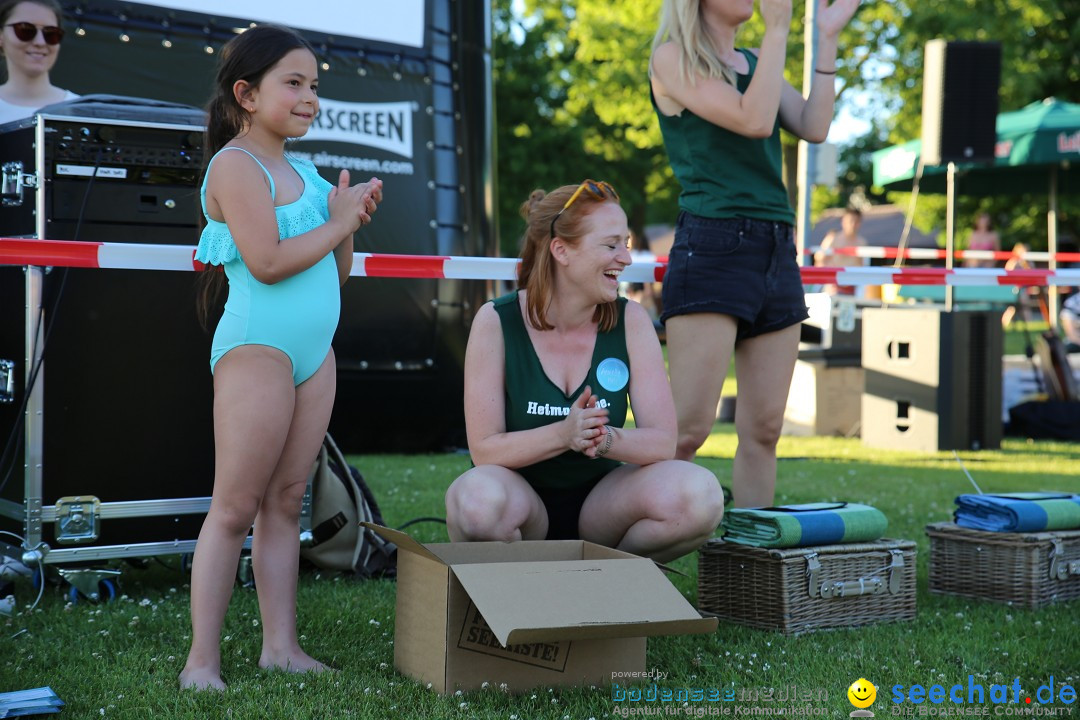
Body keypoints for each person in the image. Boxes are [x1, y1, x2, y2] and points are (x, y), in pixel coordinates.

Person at [179, 25, 383, 691]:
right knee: (235, 504)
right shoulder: (235, 166)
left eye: (315, 86)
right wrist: (337, 221)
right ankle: (200, 664)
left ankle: (281, 647)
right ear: (247, 93)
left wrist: (348, 219)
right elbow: (265, 264)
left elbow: (336, 274)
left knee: (287, 500)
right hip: (257, 350)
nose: (310, 97)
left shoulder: (306, 170)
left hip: (312, 355)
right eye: (293, 83)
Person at [649, 0, 860, 507]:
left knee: (764, 429)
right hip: (714, 242)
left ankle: (751, 569)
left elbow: (814, 125)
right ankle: (641, 559)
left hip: (775, 246)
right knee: (687, 432)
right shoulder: (672, 58)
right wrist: (779, 30)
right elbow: (755, 120)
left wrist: (826, 36)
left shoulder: (751, 59)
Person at [445, 181, 724, 563]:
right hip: (521, 504)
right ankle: (525, 592)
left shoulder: (632, 319)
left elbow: (662, 442)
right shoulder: (496, 320)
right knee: (475, 502)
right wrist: (564, 434)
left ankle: (608, 583)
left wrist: (601, 438)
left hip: (603, 508)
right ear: (561, 250)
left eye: (625, 244)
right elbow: (485, 449)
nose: (625, 259)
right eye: (611, 245)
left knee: (700, 495)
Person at [0, 0, 76, 124]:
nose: (40, 42)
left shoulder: (80, 110)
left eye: (51, 33)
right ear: (1, 36)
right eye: (25, 30)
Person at [814, 206, 867, 296]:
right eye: (850, 221)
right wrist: (828, 280)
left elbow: (862, 266)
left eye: (856, 221)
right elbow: (819, 259)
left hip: (853, 287)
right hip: (832, 285)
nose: (853, 224)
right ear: (843, 221)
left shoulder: (862, 242)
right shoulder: (833, 238)